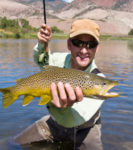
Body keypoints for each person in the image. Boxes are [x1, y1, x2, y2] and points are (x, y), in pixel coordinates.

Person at [14, 19, 105, 150]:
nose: (84, 50)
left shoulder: (99, 82)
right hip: (56, 123)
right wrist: (42, 44)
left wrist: (61, 107)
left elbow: (73, 119)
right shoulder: (59, 60)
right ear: (69, 44)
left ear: (97, 48)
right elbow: (43, 61)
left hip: (86, 131)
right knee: (15, 144)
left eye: (91, 44)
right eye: (78, 43)